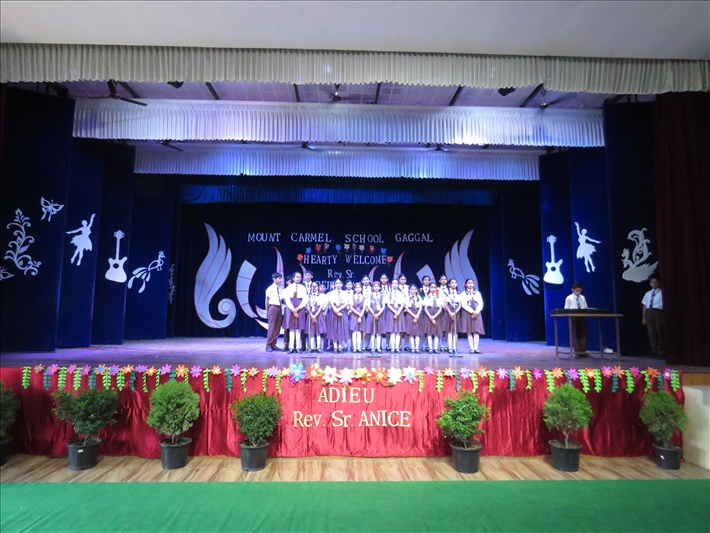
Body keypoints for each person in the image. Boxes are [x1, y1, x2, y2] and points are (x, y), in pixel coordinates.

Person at [282, 271, 308, 354]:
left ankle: (298, 347)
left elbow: (305, 299)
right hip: (291, 309)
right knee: (292, 329)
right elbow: (287, 299)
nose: (299, 278)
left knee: (298, 329)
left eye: (300, 277)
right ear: (293, 278)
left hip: (300, 308)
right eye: (297, 277)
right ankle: (291, 348)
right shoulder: (289, 288)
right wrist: (293, 309)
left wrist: (298, 308)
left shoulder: (303, 288)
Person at [459, 278, 485, 354]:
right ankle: (472, 348)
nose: (470, 284)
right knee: (469, 330)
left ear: (473, 284)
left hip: (477, 312)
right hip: (467, 313)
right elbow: (464, 304)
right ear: (466, 285)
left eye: (471, 283)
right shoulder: (463, 294)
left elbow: (480, 303)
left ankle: (476, 348)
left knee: (476, 330)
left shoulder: (477, 293)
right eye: (469, 283)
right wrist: (472, 311)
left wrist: (476, 312)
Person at [564, 282, 589, 358]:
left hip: (581, 317)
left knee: (583, 334)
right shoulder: (569, 298)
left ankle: (583, 352)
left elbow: (585, 307)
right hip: (573, 317)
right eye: (577, 291)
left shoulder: (582, 298)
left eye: (580, 291)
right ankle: (577, 352)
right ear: (573, 290)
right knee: (574, 335)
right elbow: (566, 309)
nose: (579, 293)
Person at [642, 276, 664, 358]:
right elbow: (644, 305)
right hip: (649, 312)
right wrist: (644, 317)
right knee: (651, 333)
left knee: (660, 332)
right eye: (652, 282)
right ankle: (653, 351)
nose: (654, 284)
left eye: (656, 282)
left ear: (659, 283)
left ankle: (660, 351)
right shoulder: (648, 293)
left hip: (658, 312)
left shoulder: (662, 293)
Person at [327, 279, 349, 353]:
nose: (338, 284)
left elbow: (346, 303)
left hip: (343, 311)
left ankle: (340, 347)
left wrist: (339, 309)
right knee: (334, 330)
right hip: (333, 312)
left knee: (341, 329)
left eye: (339, 283)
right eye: (337, 283)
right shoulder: (330, 293)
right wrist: (335, 310)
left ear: (342, 284)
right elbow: (330, 302)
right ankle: (335, 347)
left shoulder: (345, 293)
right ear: (334, 284)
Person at [264, 272, 283, 352]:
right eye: (279, 278)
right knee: (271, 327)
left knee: (277, 328)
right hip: (273, 307)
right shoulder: (270, 288)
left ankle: (274, 344)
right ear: (274, 279)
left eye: (281, 278)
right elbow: (267, 300)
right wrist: (267, 311)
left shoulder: (280, 289)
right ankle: (268, 345)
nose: (281, 280)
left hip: (279, 308)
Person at [387, 278, 406, 353]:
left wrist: (398, 312)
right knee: (392, 331)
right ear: (391, 285)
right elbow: (388, 304)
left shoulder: (401, 294)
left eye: (396, 283)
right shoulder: (389, 293)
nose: (395, 285)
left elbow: (402, 304)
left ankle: (397, 348)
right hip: (391, 312)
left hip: (399, 312)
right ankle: (392, 347)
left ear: (398, 285)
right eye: (393, 283)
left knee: (398, 331)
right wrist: (395, 311)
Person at [445, 279, 462, 354]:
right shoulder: (447, 294)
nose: (454, 284)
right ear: (449, 284)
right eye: (452, 283)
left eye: (455, 282)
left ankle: (455, 347)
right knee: (450, 331)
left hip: (456, 312)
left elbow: (460, 305)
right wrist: (450, 313)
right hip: (449, 312)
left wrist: (455, 313)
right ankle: (450, 348)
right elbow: (446, 304)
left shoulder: (458, 293)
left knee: (455, 331)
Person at [404, 284, 423, 353]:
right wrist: (413, 315)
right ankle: (412, 348)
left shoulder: (419, 297)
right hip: (410, 314)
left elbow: (420, 307)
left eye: (414, 289)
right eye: (412, 289)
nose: (413, 291)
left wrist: (417, 315)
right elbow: (406, 308)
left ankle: (417, 348)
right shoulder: (407, 297)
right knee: (411, 333)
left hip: (417, 314)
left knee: (417, 332)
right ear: (409, 290)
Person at [424, 286, 442, 353]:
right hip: (429, 315)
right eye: (431, 288)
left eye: (434, 288)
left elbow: (440, 308)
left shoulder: (438, 297)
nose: (433, 289)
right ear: (429, 288)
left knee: (436, 333)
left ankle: (435, 348)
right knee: (429, 333)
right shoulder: (427, 297)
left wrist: (434, 316)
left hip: (437, 315)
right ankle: (430, 348)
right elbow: (425, 308)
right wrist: (430, 317)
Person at [349, 282, 366, 353]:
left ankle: (359, 347)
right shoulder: (352, 297)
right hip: (354, 315)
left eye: (359, 288)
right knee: (354, 331)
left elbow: (364, 307)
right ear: (354, 289)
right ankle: (354, 348)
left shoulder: (364, 297)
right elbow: (351, 307)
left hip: (361, 315)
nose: (358, 289)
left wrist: (361, 314)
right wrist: (358, 314)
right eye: (356, 287)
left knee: (359, 332)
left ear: (361, 289)